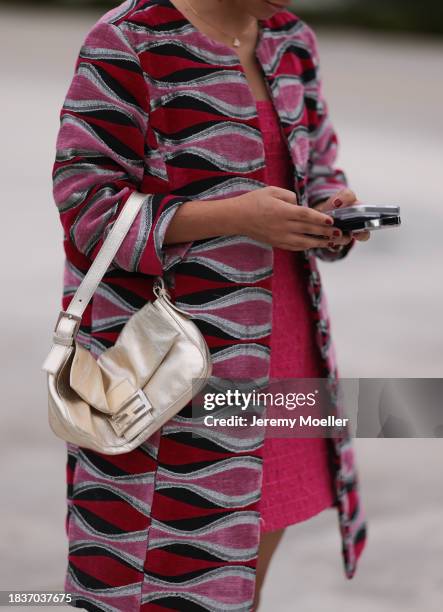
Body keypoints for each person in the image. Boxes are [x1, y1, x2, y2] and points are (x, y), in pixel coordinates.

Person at [52, 0, 368, 609]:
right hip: (173, 357)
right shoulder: (129, 41)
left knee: (245, 576)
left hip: (285, 348)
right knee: (161, 573)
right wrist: (236, 218)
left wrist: (331, 214)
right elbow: (85, 209)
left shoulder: (289, 39)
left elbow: (318, 166)